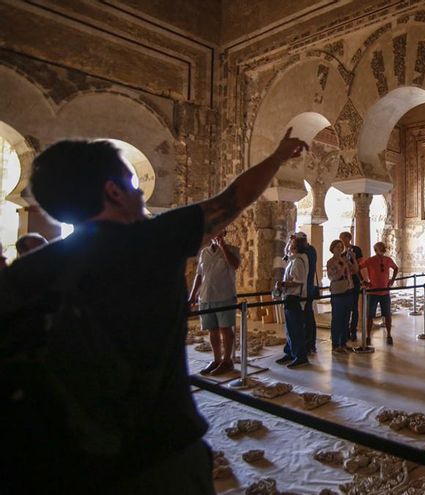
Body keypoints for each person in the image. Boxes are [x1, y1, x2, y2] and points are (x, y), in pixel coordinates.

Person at [0, 131, 307, 493]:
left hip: (63, 466)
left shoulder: (24, 275)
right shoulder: (152, 241)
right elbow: (234, 198)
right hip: (159, 458)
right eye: (133, 183)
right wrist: (278, 156)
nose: (141, 193)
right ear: (113, 191)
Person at [187, 229, 241, 376]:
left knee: (225, 329)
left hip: (224, 296)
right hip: (206, 297)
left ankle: (227, 361)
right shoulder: (204, 253)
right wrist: (192, 296)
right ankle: (217, 359)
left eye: (219, 232)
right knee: (213, 330)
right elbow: (199, 275)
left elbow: (235, 265)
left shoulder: (232, 250)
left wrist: (223, 247)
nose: (215, 236)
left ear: (224, 233)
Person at [276, 235, 309, 367]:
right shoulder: (292, 260)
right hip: (289, 297)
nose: (289, 245)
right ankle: (290, 351)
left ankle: (300, 356)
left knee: (295, 328)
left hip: (295, 297)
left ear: (295, 247)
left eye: (291, 243)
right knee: (289, 328)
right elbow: (285, 251)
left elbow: (298, 282)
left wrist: (283, 284)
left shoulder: (298, 262)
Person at [360, 242, 399, 345]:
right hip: (373, 292)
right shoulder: (370, 260)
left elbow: (396, 268)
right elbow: (358, 268)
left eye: (383, 247)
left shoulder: (388, 260)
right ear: (375, 249)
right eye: (379, 247)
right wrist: (363, 281)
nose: (382, 248)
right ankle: (368, 336)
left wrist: (392, 280)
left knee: (387, 314)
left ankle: (389, 335)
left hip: (385, 292)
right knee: (370, 315)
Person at [326, 239, 358, 353]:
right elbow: (332, 277)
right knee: (337, 319)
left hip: (348, 290)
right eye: (337, 247)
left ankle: (343, 343)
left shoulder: (345, 260)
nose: (339, 249)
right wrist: (343, 267)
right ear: (333, 249)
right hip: (338, 292)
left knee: (346, 318)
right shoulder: (331, 262)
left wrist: (353, 258)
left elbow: (355, 270)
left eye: (341, 247)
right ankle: (335, 344)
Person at [296, 231, 318, 354]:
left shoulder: (307, 252)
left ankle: (309, 343)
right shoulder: (310, 250)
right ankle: (309, 343)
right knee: (307, 316)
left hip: (306, 289)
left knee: (308, 317)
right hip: (307, 288)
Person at [339, 231, 363, 341]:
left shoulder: (356, 250)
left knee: (354, 306)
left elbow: (359, 266)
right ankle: (345, 330)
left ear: (349, 238)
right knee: (346, 306)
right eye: (340, 238)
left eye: (343, 238)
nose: (342, 240)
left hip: (354, 279)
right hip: (344, 280)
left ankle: (353, 330)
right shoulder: (340, 251)